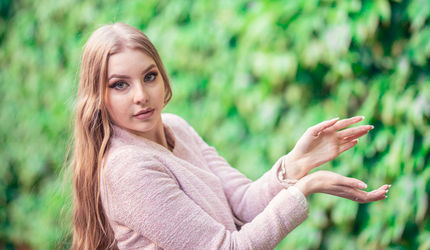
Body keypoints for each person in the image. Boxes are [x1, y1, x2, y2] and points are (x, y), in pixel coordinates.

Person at [71, 22, 390, 249]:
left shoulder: (176, 127)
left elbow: (242, 204)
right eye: (120, 84)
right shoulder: (129, 170)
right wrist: (306, 187)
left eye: (149, 76)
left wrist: (296, 163)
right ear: (98, 96)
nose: (141, 95)